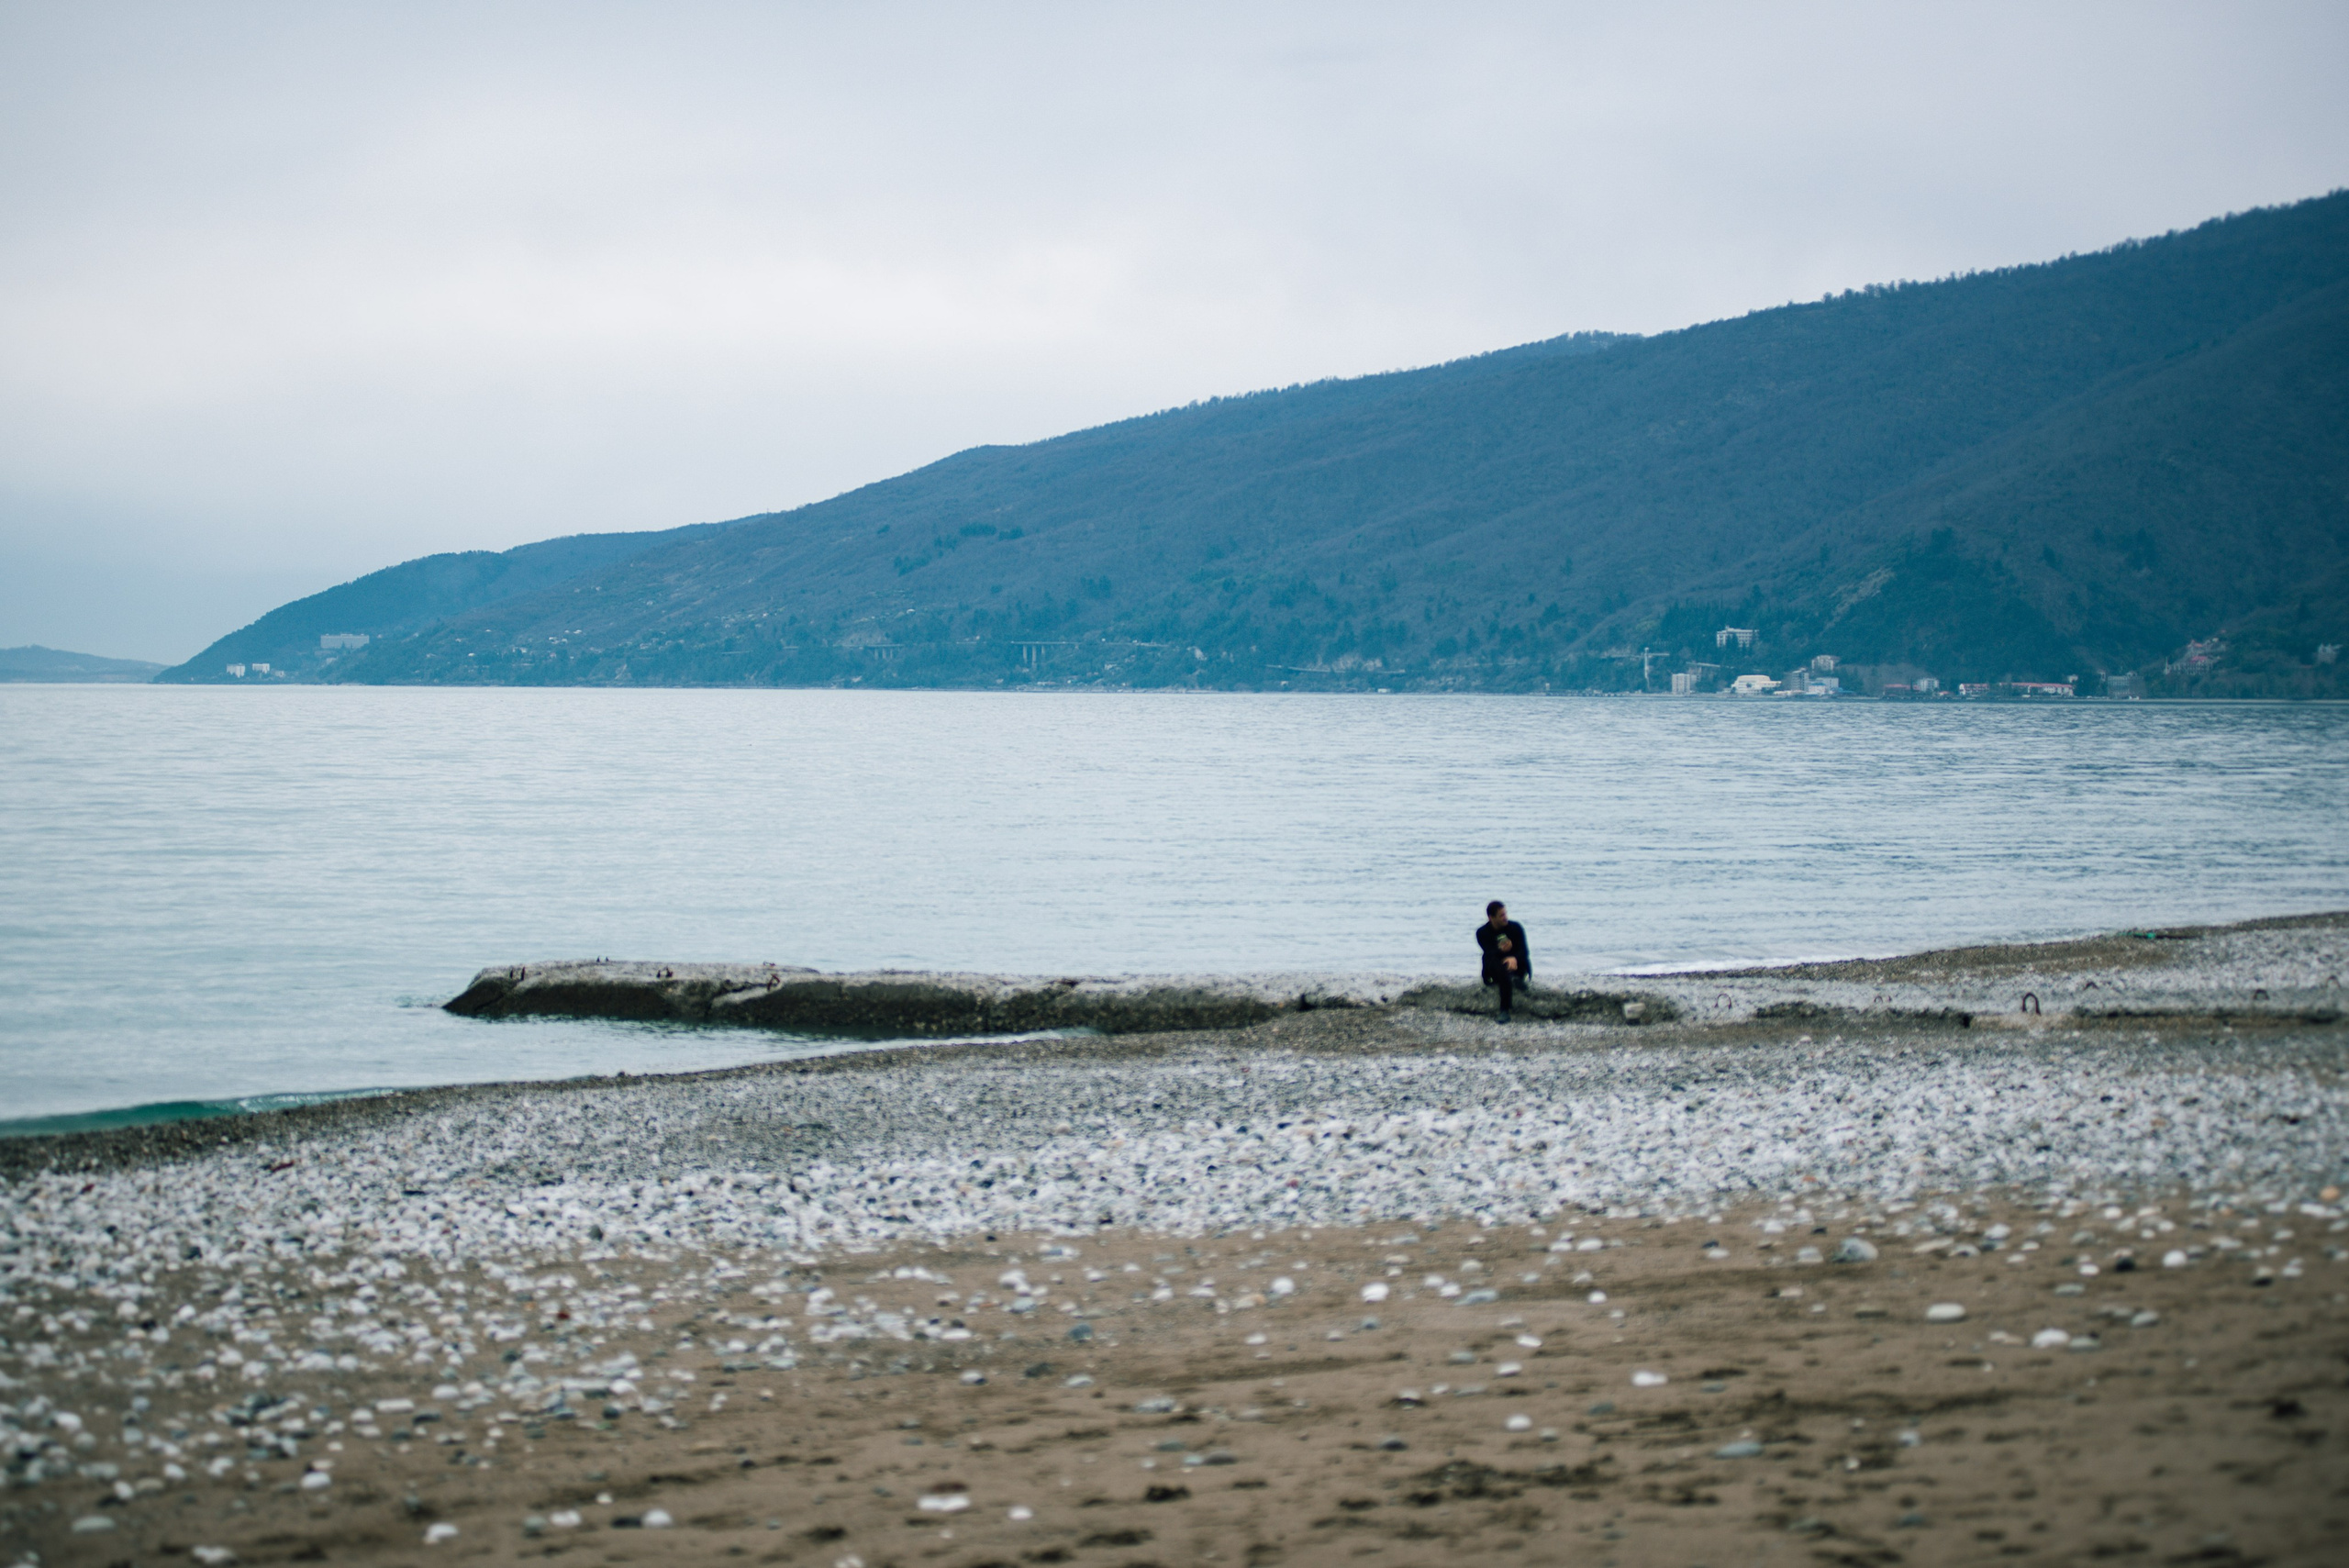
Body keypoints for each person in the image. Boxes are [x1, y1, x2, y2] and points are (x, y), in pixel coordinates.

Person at [1476, 900, 1531, 1022]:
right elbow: (1489, 952)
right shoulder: (1482, 932)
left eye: (1505, 914)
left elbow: (1524, 951)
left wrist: (1514, 958)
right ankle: (1504, 1010)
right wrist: (1501, 951)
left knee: (1521, 960)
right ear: (1491, 918)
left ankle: (1516, 979)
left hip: (1516, 966)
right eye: (1501, 915)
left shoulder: (1515, 928)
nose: (1505, 917)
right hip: (1496, 969)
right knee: (1494, 963)